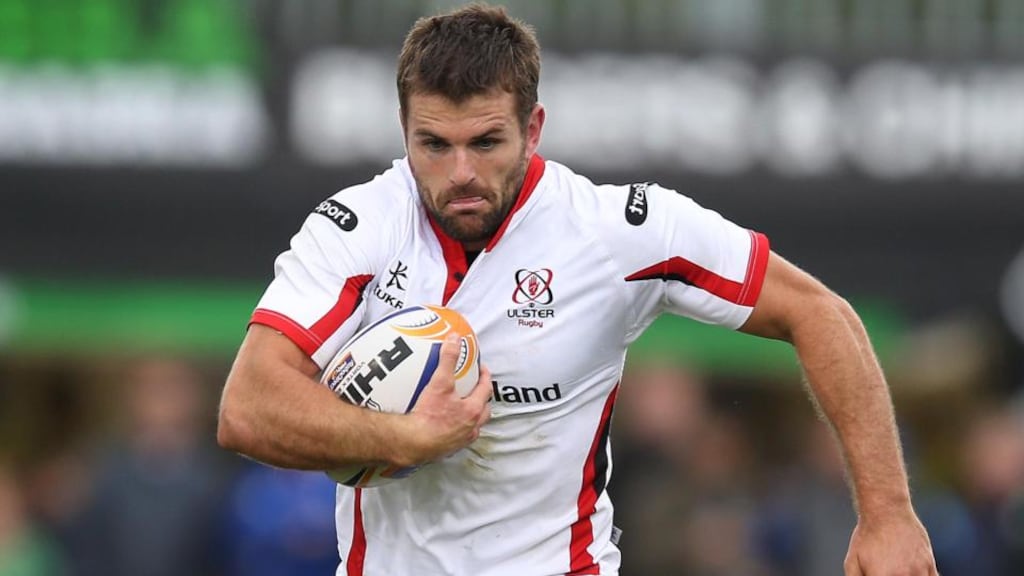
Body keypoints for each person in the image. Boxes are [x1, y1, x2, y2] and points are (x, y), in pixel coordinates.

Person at [217, 4, 938, 575]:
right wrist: (403, 436)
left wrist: (887, 514)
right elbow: (246, 409)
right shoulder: (357, 229)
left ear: (533, 127)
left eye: (487, 142)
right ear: (404, 131)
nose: (460, 172)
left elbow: (819, 312)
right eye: (433, 145)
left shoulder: (614, 231)